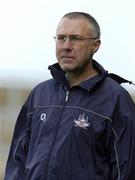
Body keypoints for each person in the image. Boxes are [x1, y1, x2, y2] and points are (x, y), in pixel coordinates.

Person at [4, 12, 135, 180]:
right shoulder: (40, 95)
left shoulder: (116, 99)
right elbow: (17, 160)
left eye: (75, 38)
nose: (66, 46)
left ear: (96, 45)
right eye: (61, 38)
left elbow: (126, 170)